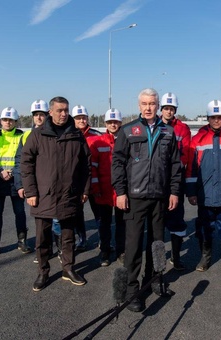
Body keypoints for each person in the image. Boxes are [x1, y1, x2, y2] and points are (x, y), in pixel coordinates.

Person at [112, 88, 182, 312]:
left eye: (152, 103)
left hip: (160, 197)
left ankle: (153, 281)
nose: (149, 107)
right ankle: (132, 291)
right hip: (134, 197)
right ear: (139, 105)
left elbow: (174, 165)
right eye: (145, 103)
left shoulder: (168, 132)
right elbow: (118, 163)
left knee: (157, 244)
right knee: (133, 246)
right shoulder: (127, 131)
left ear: (158, 105)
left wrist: (173, 191)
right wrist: (120, 192)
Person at [20, 96, 91, 292]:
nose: (63, 114)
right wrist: (31, 191)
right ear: (50, 112)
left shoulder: (76, 135)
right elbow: (26, 164)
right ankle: (43, 272)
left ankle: (68, 269)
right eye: (59, 110)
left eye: (66, 110)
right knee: (42, 237)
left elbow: (86, 165)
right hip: (43, 195)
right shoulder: (37, 135)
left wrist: (84, 190)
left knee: (68, 236)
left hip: (69, 194)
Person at [186, 100, 221, 276]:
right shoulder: (198, 139)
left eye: (219, 117)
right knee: (204, 227)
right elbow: (191, 168)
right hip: (205, 193)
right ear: (208, 118)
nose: (217, 120)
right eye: (213, 117)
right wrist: (192, 192)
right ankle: (205, 257)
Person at [14, 100, 62, 264]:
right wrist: (21, 185)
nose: (39, 118)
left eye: (41, 114)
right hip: (35, 185)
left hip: (52, 184)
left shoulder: (55, 132)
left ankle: (60, 248)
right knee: (41, 222)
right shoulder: (26, 136)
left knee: (56, 219)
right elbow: (21, 162)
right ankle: (44, 252)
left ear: (47, 114)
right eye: (36, 115)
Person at [0, 107, 32, 257]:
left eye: (11, 120)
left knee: (19, 212)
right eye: (5, 120)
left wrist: (13, 173)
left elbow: (24, 159)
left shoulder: (22, 137)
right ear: (1, 121)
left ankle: (22, 241)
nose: (8, 122)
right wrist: (0, 171)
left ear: (16, 122)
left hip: (16, 179)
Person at [89, 108, 125, 267]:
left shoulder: (126, 141)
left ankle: (121, 250)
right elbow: (93, 167)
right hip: (103, 190)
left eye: (115, 122)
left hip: (121, 192)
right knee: (104, 223)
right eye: (110, 122)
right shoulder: (98, 142)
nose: (113, 124)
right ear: (105, 123)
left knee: (121, 223)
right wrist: (95, 187)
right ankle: (104, 250)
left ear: (120, 123)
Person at [160, 92, 191, 271]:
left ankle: (176, 256)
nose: (169, 111)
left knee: (176, 219)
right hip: (156, 182)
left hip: (174, 181)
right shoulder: (154, 125)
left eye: (172, 109)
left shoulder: (183, 128)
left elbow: (186, 154)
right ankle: (157, 260)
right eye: (166, 108)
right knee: (157, 221)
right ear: (161, 109)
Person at [71, 105, 103, 252]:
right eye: (78, 118)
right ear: (73, 120)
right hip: (77, 182)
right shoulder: (69, 135)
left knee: (99, 212)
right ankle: (82, 239)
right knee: (78, 213)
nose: (82, 120)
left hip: (95, 180)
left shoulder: (97, 135)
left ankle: (104, 238)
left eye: (84, 117)